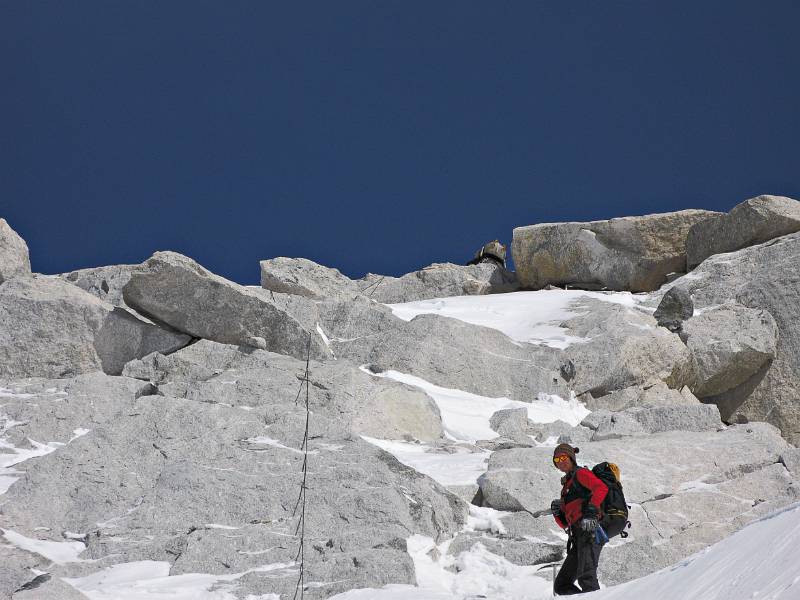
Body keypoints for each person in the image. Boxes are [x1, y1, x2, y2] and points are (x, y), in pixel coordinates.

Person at [550, 443, 608, 595]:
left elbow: (601, 488)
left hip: (589, 530)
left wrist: (591, 511)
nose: (560, 461)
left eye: (563, 457)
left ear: (571, 457)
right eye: (557, 460)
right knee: (561, 585)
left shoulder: (580, 473)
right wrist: (557, 513)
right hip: (577, 537)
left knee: (586, 577)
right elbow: (565, 523)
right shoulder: (566, 486)